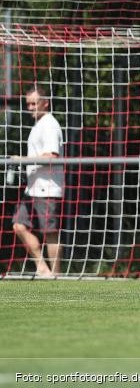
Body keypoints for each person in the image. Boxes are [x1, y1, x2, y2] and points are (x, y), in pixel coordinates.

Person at [12, 85, 65, 277]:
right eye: (28, 104)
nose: (30, 108)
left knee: (49, 233)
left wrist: (23, 160)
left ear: (45, 103)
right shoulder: (38, 125)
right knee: (18, 225)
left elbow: (51, 155)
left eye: (34, 103)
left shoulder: (50, 124)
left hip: (47, 188)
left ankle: (56, 276)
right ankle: (42, 268)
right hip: (33, 188)